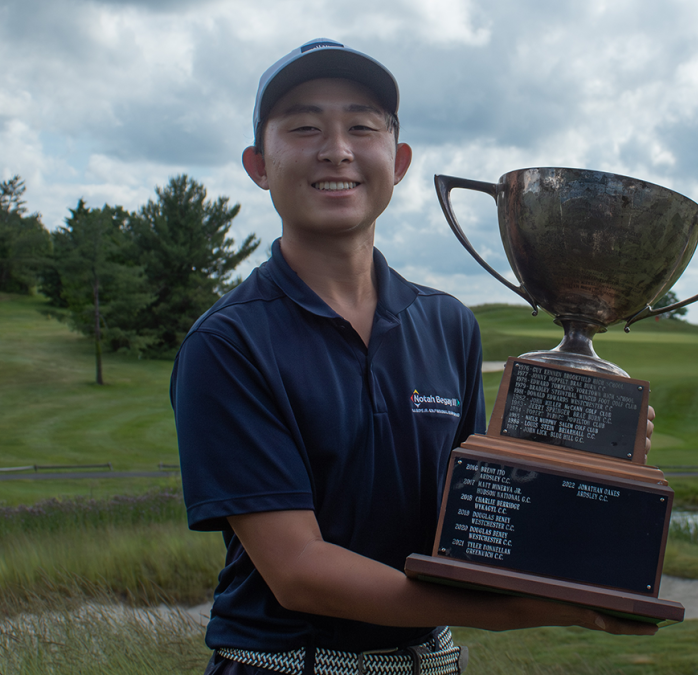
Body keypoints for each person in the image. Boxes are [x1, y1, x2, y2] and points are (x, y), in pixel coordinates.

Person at [171, 38, 657, 675]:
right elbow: (301, 574)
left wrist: (586, 465)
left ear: (397, 160)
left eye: (362, 127)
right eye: (304, 127)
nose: (337, 149)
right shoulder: (229, 343)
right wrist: (533, 609)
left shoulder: (447, 323)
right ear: (259, 164)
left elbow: (463, 523)